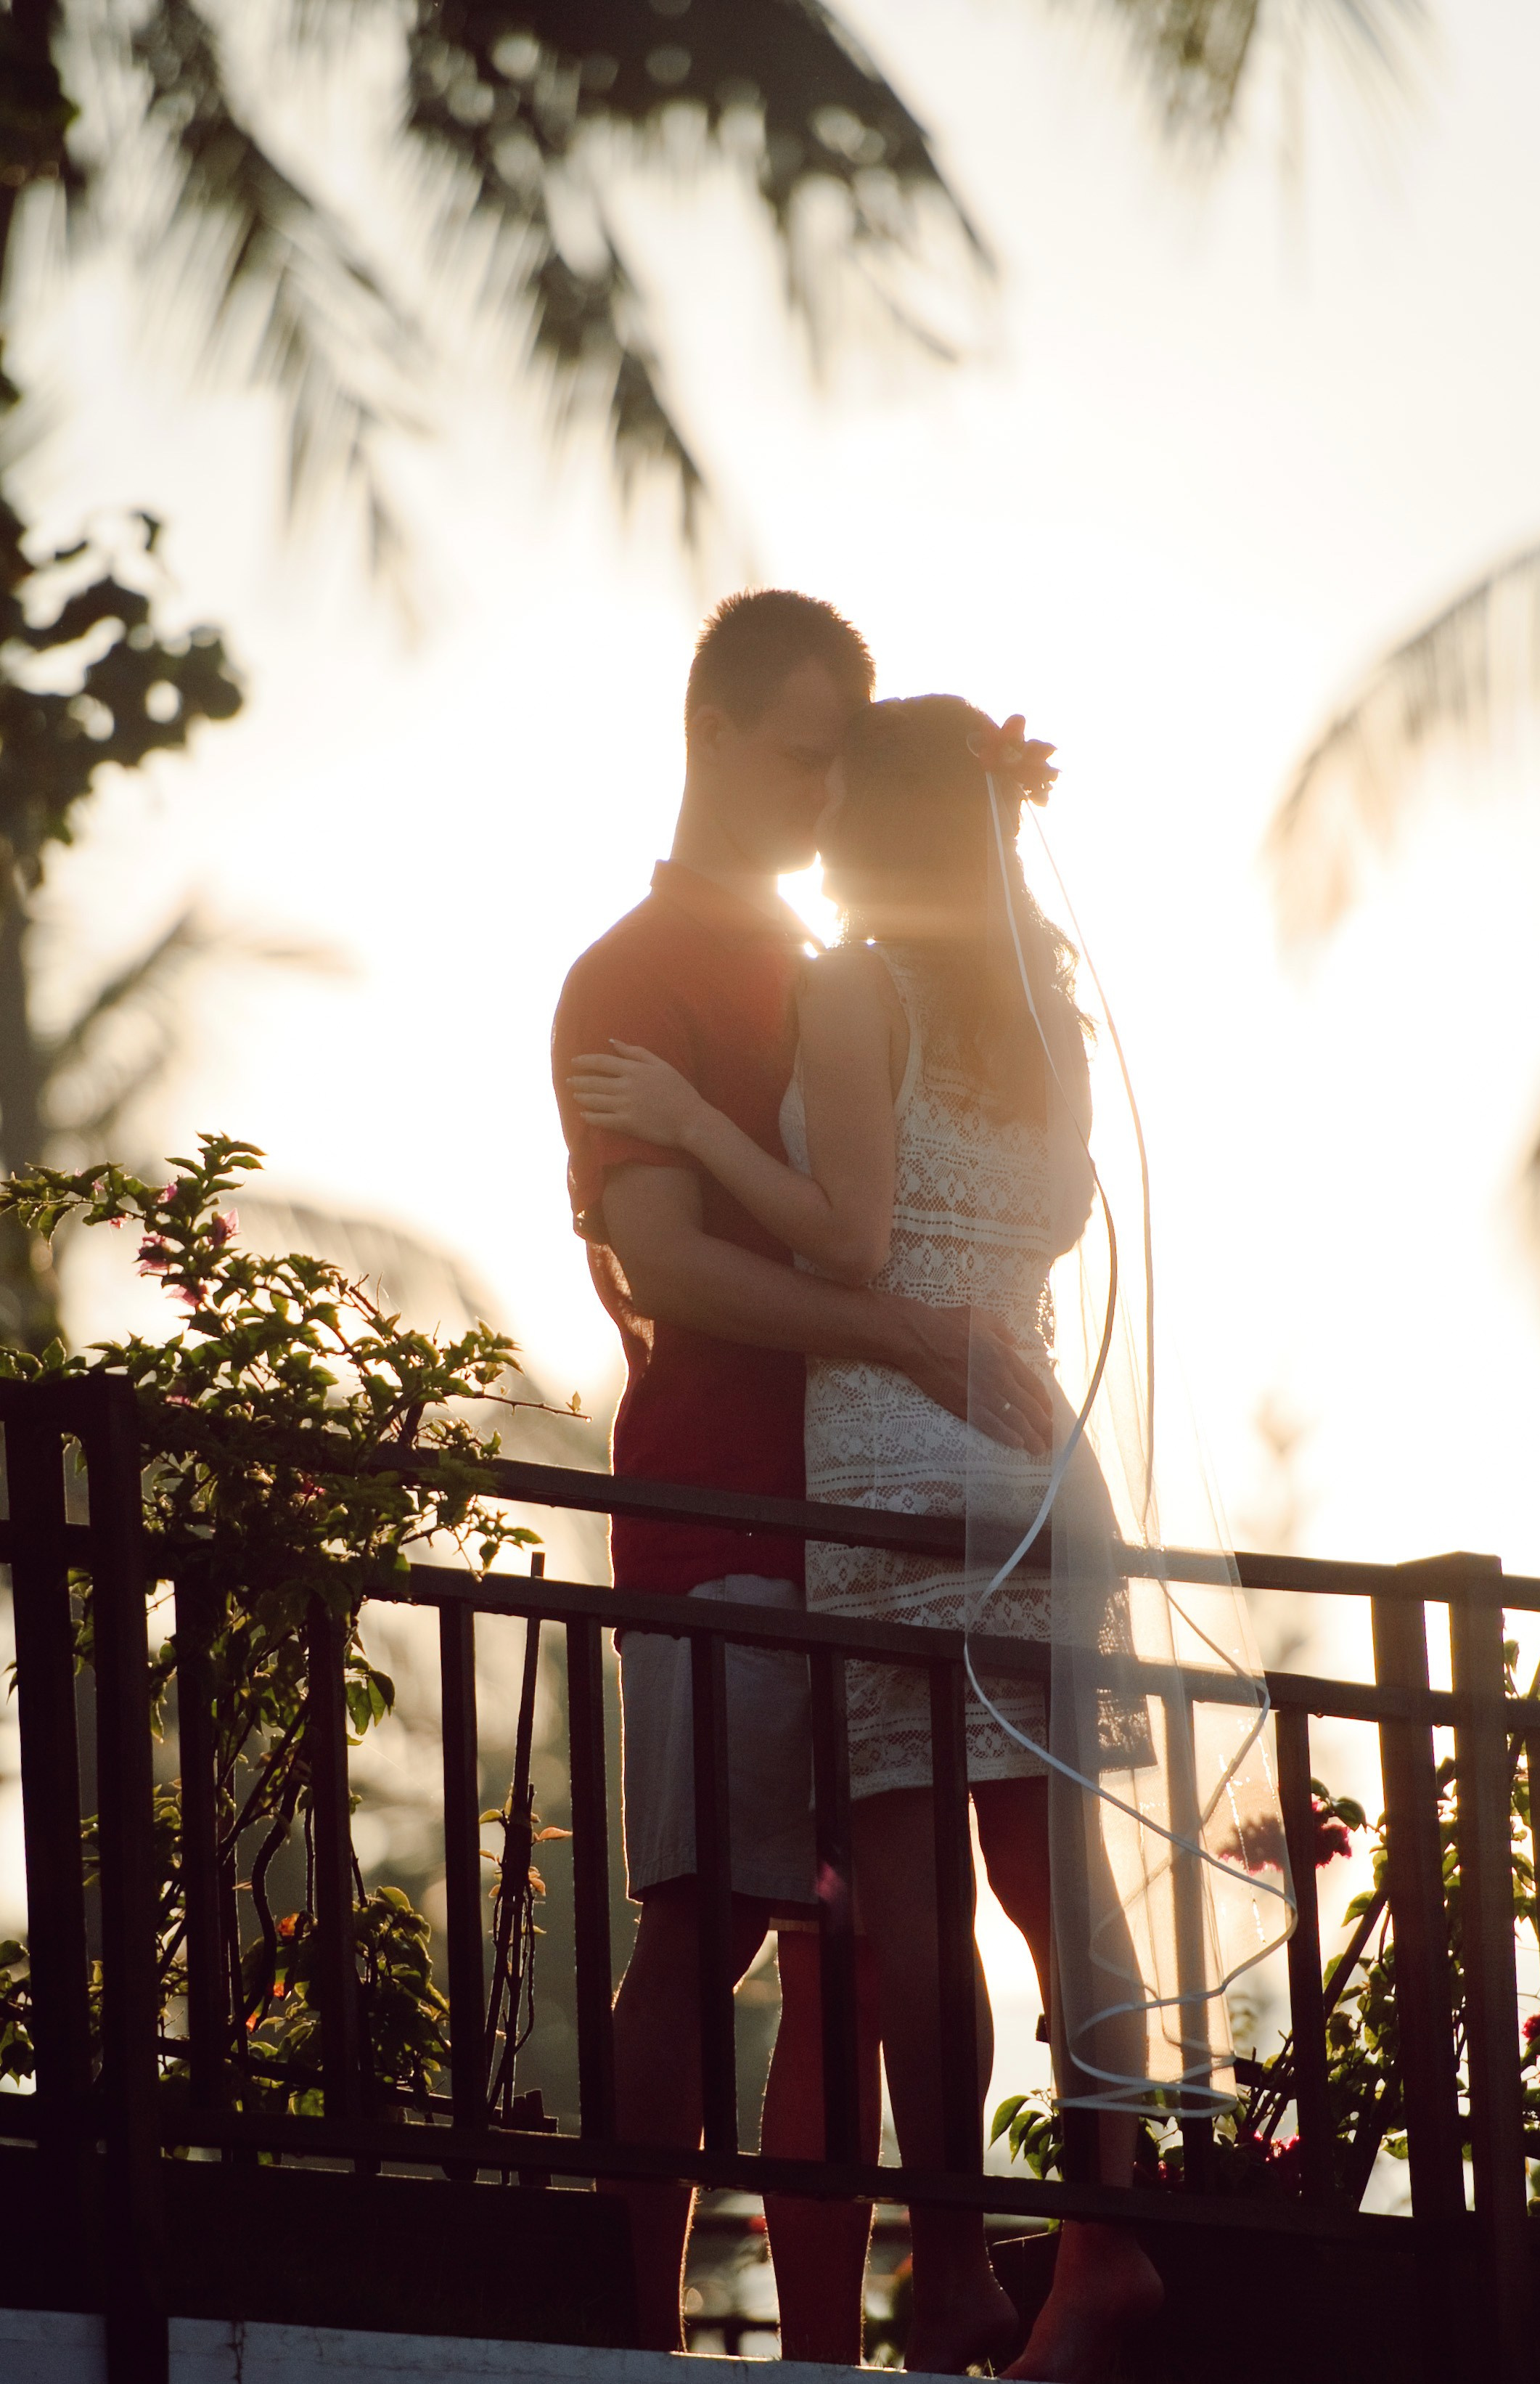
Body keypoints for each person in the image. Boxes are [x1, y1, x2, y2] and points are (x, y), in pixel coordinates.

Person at [570, 693, 1168, 2383]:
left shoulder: (855, 982)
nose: (817, 822)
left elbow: (851, 1238)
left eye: (843, 798)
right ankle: (1111, 2247)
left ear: (877, 827)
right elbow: (1030, 1225)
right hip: (1041, 1467)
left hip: (890, 1476)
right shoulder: (1047, 1005)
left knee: (912, 1900)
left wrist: (690, 1129)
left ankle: (964, 2257)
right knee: (1059, 1879)